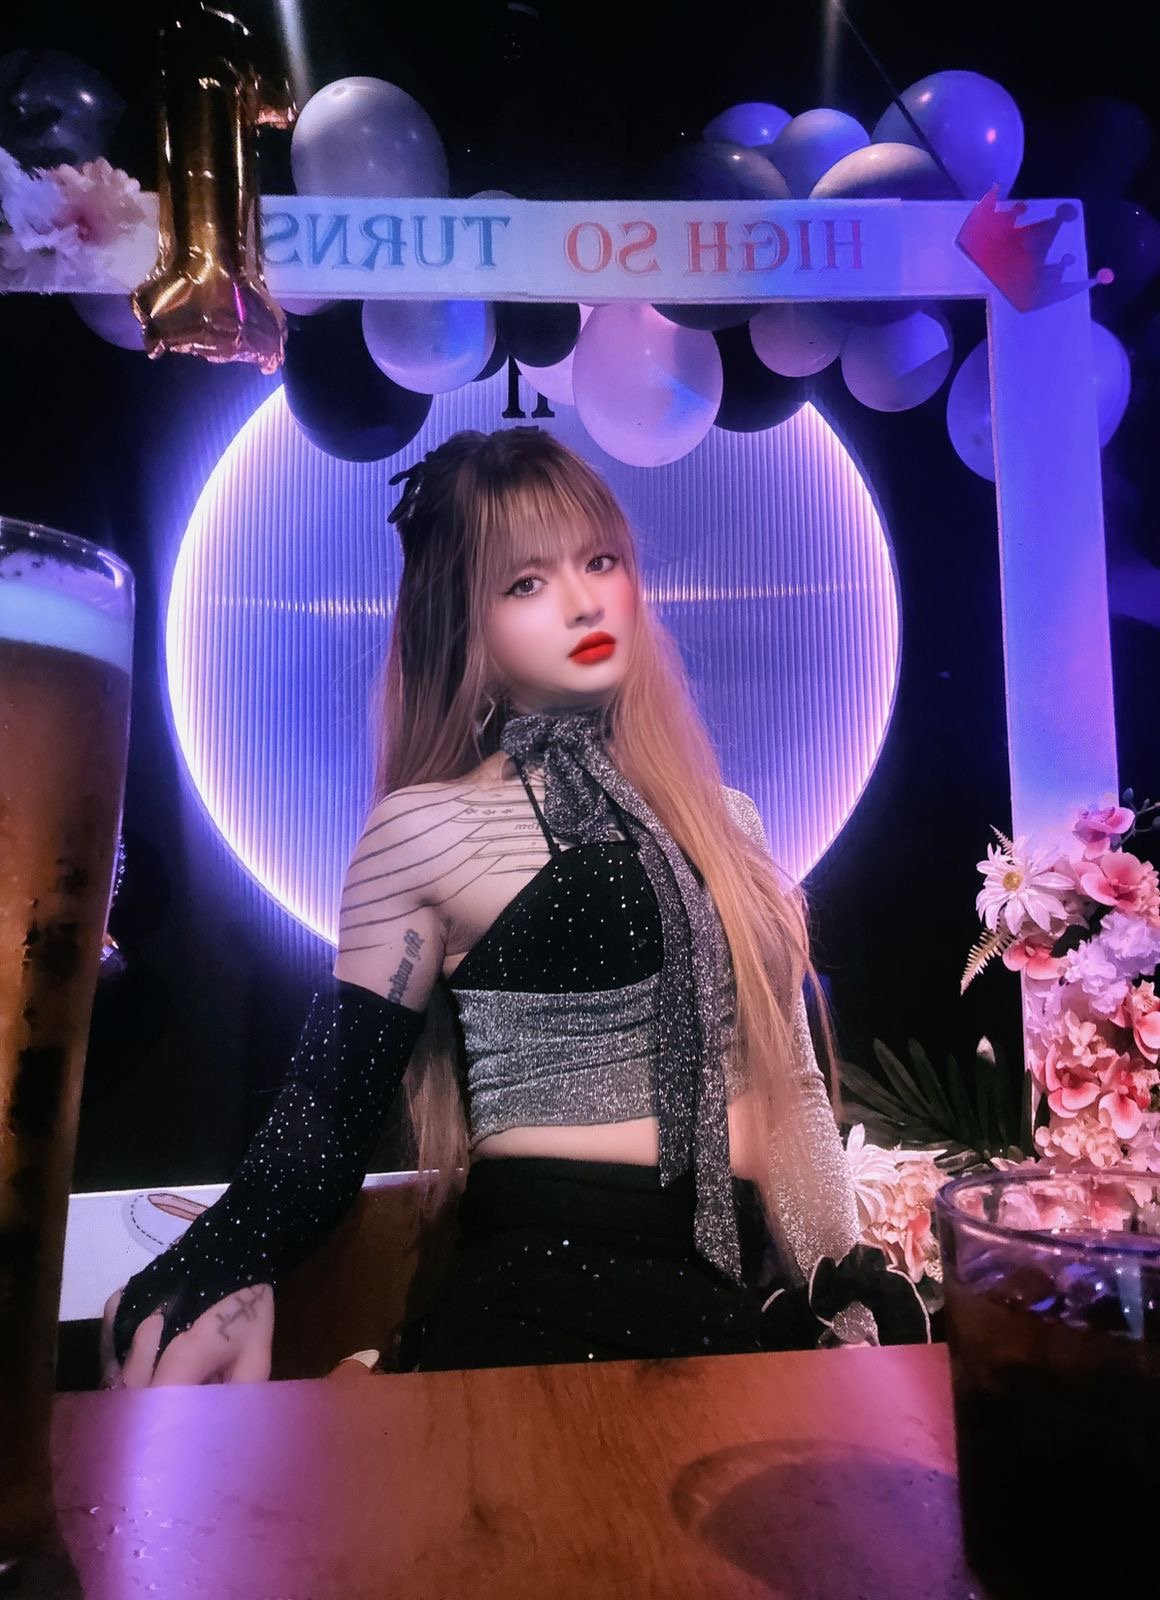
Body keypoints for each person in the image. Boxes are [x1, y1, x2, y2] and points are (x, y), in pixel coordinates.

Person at [102, 426, 924, 1387]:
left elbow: (795, 1090)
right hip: (539, 1305)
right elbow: (329, 1112)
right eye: (526, 583)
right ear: (471, 631)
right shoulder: (423, 829)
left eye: (601, 561)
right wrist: (212, 1267)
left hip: (730, 1307)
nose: (583, 600)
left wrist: (840, 1291)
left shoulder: (726, 819)